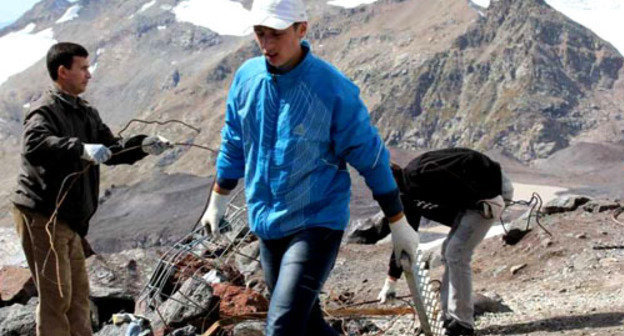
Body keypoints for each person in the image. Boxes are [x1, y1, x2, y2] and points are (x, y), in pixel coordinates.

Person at [199, 0, 419, 334]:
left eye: (276, 33)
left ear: (302, 29)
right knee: (308, 323)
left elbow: (370, 157)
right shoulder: (247, 78)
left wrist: (397, 221)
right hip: (268, 222)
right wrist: (218, 197)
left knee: (282, 326)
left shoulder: (331, 88)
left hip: (316, 222)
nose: (267, 44)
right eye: (260, 33)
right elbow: (234, 139)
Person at [11, 42, 172, 336]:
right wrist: (79, 148)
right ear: (63, 72)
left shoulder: (85, 113)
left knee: (78, 297)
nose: (89, 74)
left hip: (70, 219)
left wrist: (144, 145)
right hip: (42, 215)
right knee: (56, 296)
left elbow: (111, 149)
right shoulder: (44, 110)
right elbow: (34, 145)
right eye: (83, 68)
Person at [376, 148, 514, 336]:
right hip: (474, 203)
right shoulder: (407, 198)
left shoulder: (421, 171)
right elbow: (405, 237)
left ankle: (462, 324)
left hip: (489, 192)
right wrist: (391, 280)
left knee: (456, 252)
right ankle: (449, 316)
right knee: (449, 250)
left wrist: (487, 194)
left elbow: (469, 158)